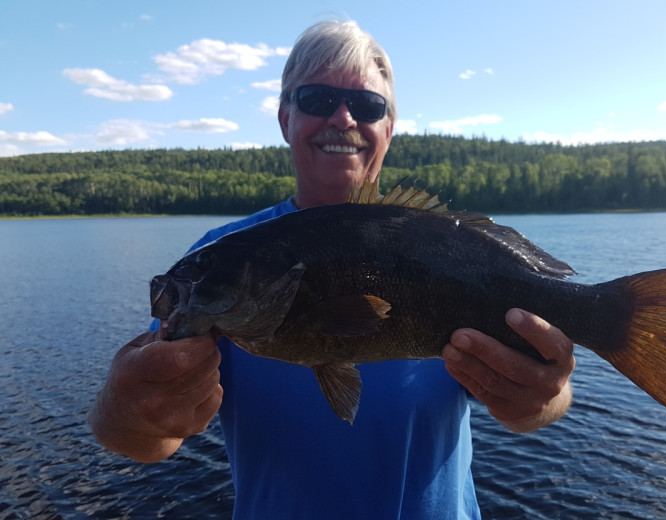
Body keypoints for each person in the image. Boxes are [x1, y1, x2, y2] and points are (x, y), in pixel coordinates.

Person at [89, 20, 575, 519]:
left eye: (367, 106)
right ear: (285, 118)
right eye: (318, 99)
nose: (343, 118)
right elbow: (138, 438)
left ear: (388, 128)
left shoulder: (445, 244)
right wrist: (128, 408)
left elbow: (544, 405)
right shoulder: (224, 256)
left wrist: (544, 397)